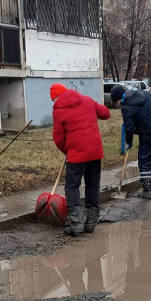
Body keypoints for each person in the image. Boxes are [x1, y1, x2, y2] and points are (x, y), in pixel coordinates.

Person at [50, 83, 110, 236]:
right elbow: (105, 113)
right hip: (95, 151)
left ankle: (77, 224)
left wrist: (67, 151)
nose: (54, 102)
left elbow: (58, 137)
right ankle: (91, 223)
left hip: (76, 154)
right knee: (92, 185)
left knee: (72, 186)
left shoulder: (58, 111)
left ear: (57, 97)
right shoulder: (87, 100)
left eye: (54, 99)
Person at [110, 83, 151, 199]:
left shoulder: (127, 108)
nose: (117, 105)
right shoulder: (143, 94)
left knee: (145, 161)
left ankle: (147, 191)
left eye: (116, 102)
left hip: (148, 135)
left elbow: (129, 128)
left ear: (119, 98)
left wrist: (129, 142)